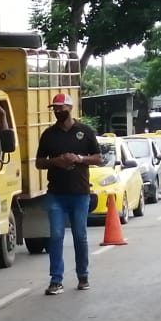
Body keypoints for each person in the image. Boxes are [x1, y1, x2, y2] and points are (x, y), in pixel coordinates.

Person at [35, 93, 102, 295]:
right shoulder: (49, 134)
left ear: (70, 108)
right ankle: (56, 280)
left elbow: (98, 158)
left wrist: (79, 158)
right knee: (56, 235)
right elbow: (39, 162)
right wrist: (56, 161)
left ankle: (83, 276)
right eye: (55, 108)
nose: (57, 111)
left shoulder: (85, 131)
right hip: (56, 193)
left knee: (80, 235)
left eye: (60, 108)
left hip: (80, 193)